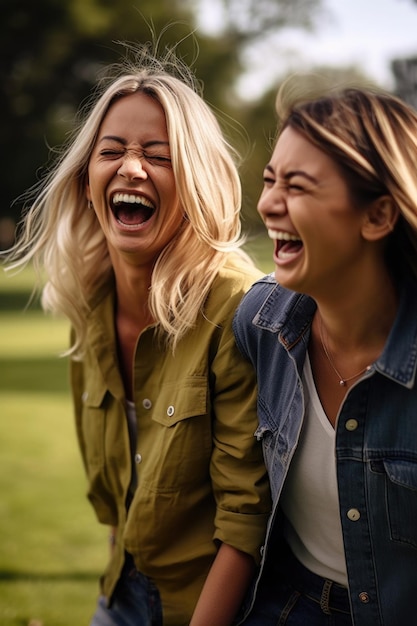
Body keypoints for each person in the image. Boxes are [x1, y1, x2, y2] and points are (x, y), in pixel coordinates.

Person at [3, 44, 271, 626]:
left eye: (158, 154)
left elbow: (246, 524)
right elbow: (117, 498)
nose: (129, 168)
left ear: (197, 179)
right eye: (111, 151)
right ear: (86, 177)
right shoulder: (87, 302)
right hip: (121, 594)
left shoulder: (237, 308)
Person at [233, 84, 417, 626]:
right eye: (269, 181)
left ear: (379, 215)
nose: (268, 203)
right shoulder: (261, 322)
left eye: (297, 186)